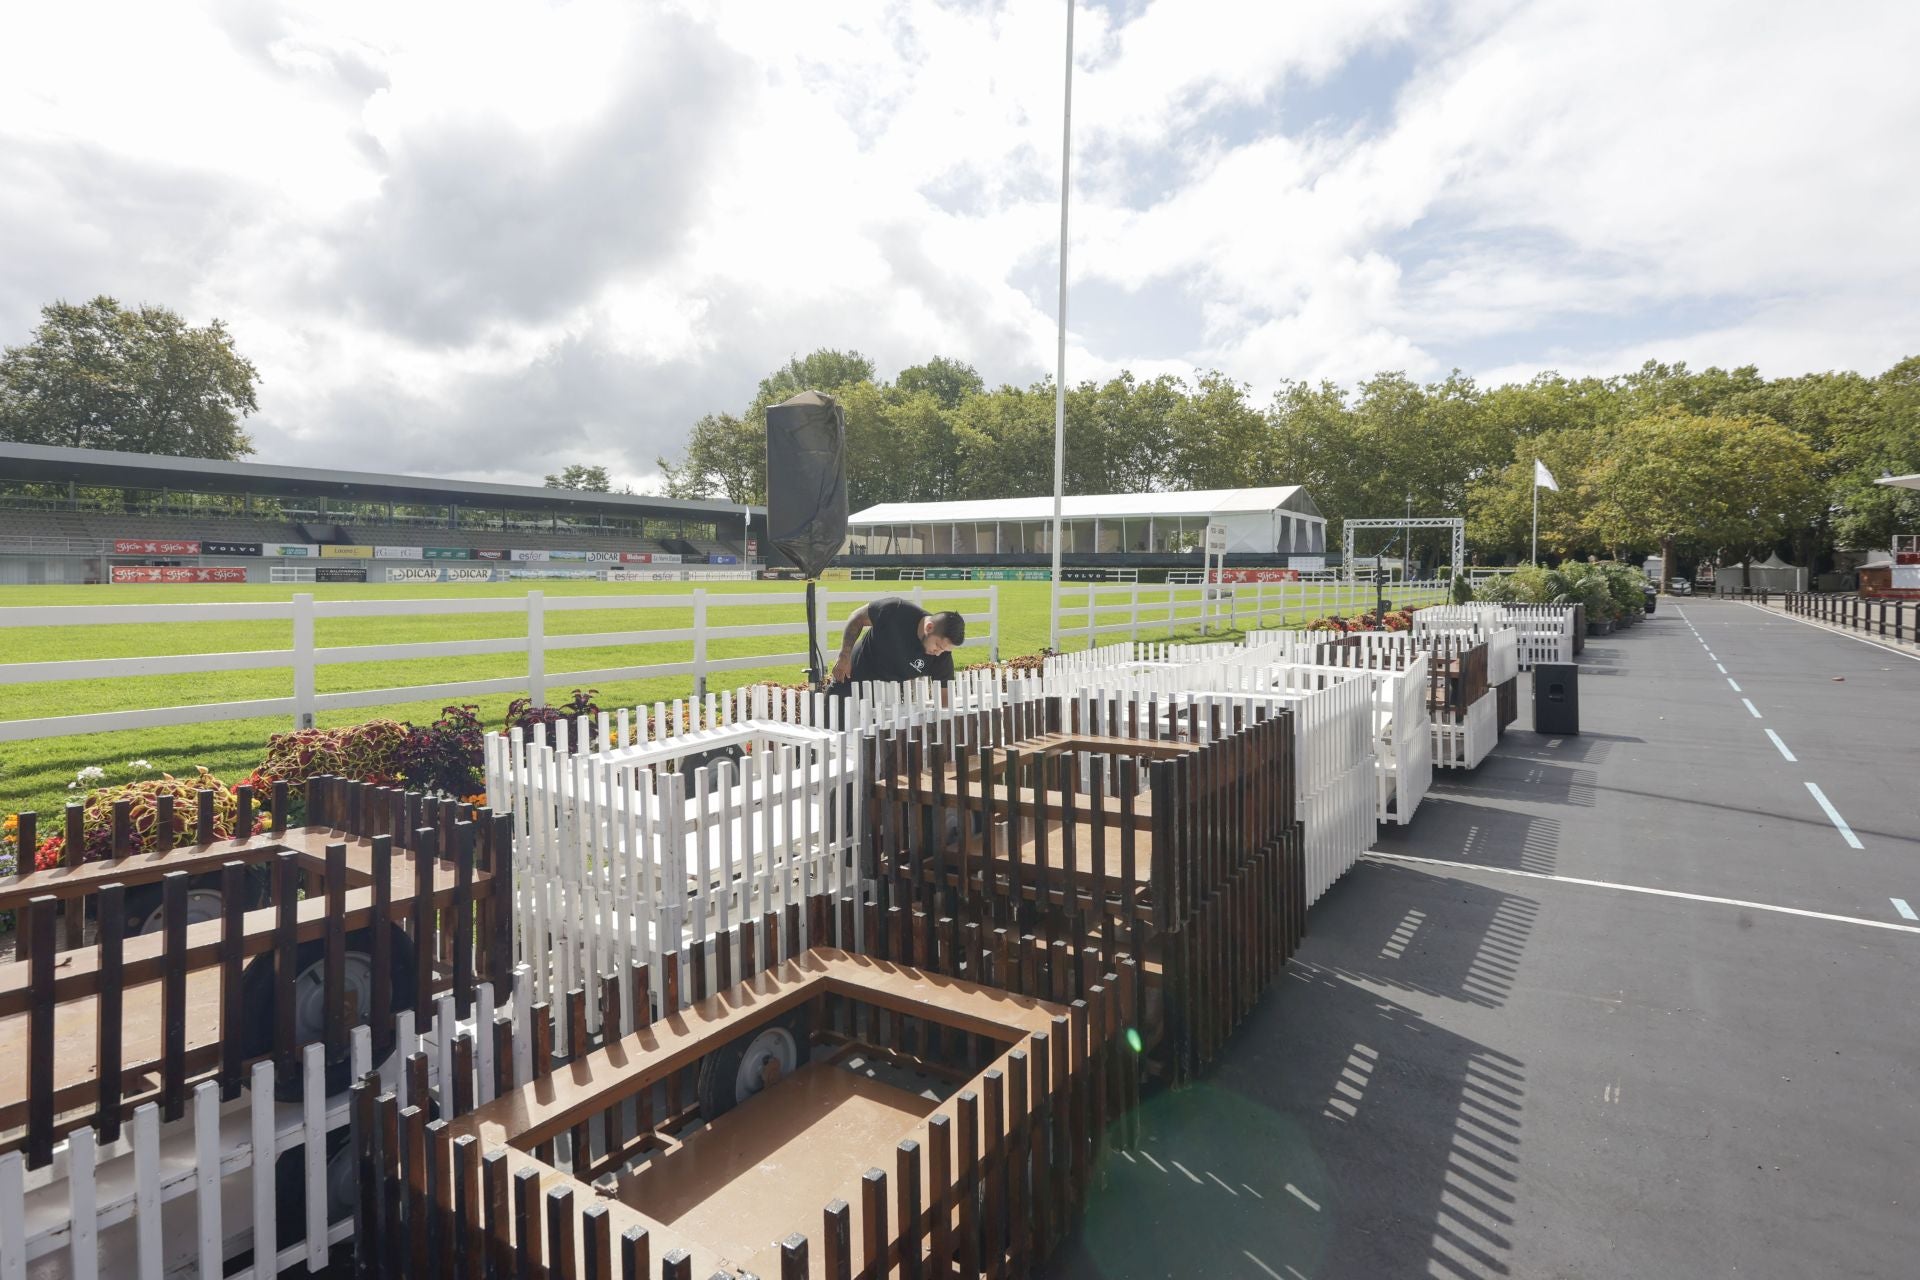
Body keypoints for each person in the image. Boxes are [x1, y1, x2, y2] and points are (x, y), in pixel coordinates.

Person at [827, 596, 966, 690]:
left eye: (944, 650)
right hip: (852, 677)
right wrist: (844, 656)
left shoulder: (942, 655)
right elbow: (857, 617)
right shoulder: (895, 610)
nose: (938, 653)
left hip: (888, 697)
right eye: (938, 646)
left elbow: (945, 702)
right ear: (929, 628)